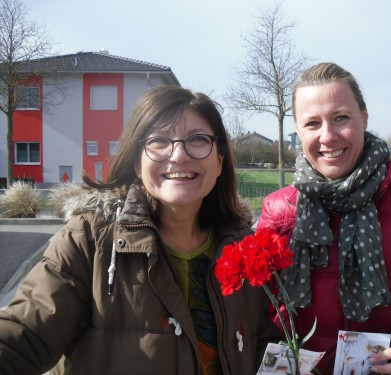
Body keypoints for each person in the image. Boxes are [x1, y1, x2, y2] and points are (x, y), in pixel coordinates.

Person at [0, 85, 282, 374]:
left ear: (219, 161)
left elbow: (265, 350)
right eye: (160, 140)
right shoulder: (89, 241)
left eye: (197, 139)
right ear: (137, 162)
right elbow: (23, 336)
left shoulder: (242, 251)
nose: (179, 155)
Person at [257, 62, 391, 375]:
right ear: (298, 129)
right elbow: (259, 307)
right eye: (312, 123)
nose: (328, 136)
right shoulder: (278, 209)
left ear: (364, 116)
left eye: (341, 118)